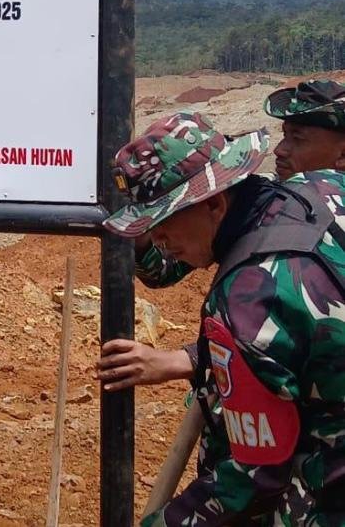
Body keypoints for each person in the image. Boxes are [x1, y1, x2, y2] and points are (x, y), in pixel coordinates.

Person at [99, 111, 345, 524]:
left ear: (214, 203)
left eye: (162, 224)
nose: (159, 242)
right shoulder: (321, 188)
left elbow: (254, 478)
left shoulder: (247, 300)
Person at [132, 78, 345, 291]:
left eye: (298, 139)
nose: (280, 149)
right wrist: (143, 237)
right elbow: (163, 270)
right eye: (285, 135)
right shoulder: (260, 200)